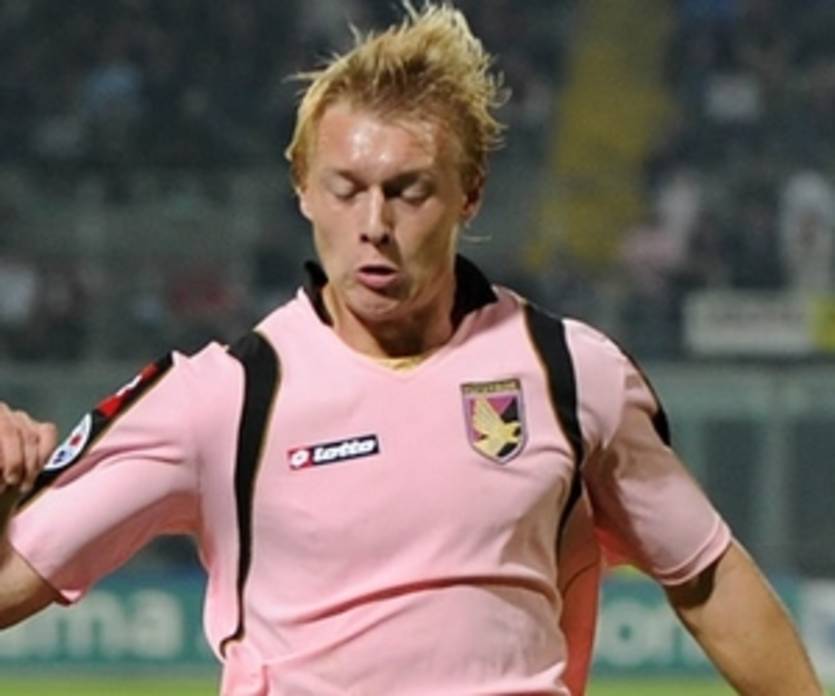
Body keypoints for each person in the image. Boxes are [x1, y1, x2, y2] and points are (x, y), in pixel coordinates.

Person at [0, 4, 824, 694]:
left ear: (470, 192)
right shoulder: (223, 399)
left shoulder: (570, 374)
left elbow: (704, 575)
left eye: (408, 191)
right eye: (346, 189)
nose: (375, 226)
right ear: (302, 189)